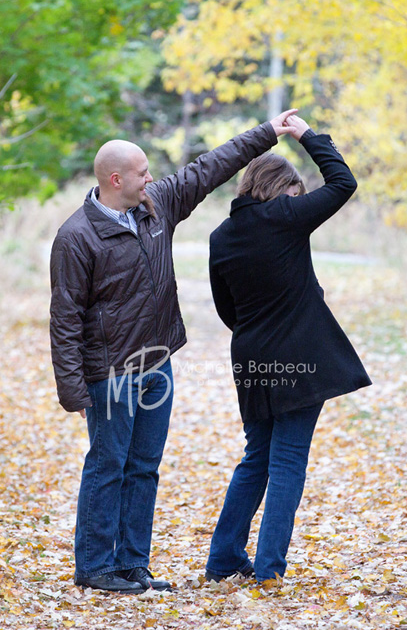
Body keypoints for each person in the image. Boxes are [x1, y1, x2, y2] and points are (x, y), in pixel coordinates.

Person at [49, 110, 300, 593]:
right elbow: (64, 318)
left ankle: (133, 565)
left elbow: (210, 166)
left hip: (157, 365)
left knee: (144, 468)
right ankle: (96, 567)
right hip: (111, 374)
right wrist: (73, 388)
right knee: (108, 467)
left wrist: (269, 132)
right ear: (115, 179)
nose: (152, 178)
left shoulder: (157, 204)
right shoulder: (76, 237)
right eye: (142, 172)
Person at [204, 115, 372, 584]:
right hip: (299, 358)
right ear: (281, 191)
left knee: (256, 456)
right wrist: (306, 136)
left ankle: (222, 560)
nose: (300, 203)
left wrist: (257, 333)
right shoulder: (286, 216)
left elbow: (225, 307)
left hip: (251, 357)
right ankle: (268, 569)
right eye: (295, 194)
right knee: (287, 461)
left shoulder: (221, 236)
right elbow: (343, 181)